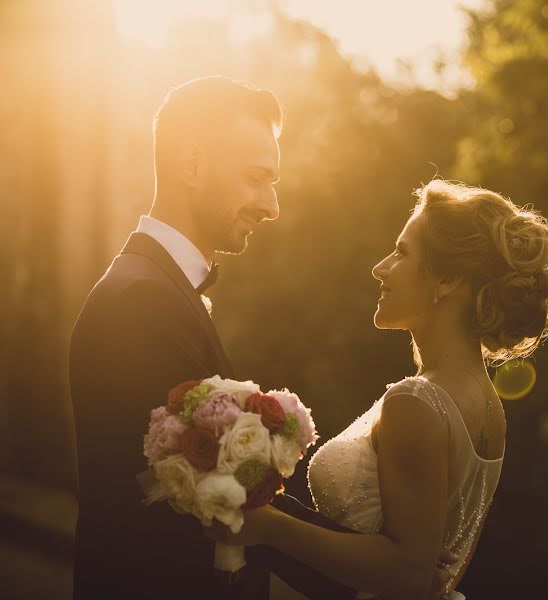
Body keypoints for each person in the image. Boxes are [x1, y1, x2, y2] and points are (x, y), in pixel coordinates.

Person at [70, 76, 454, 600]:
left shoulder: (156, 288)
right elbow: (208, 495)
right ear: (191, 164)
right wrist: (384, 576)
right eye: (256, 177)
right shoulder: (144, 299)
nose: (271, 205)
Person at [205, 179, 548, 599]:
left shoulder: (417, 403)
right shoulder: (485, 401)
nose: (381, 267)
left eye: (402, 252)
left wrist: (271, 524)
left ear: (446, 279)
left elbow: (407, 573)